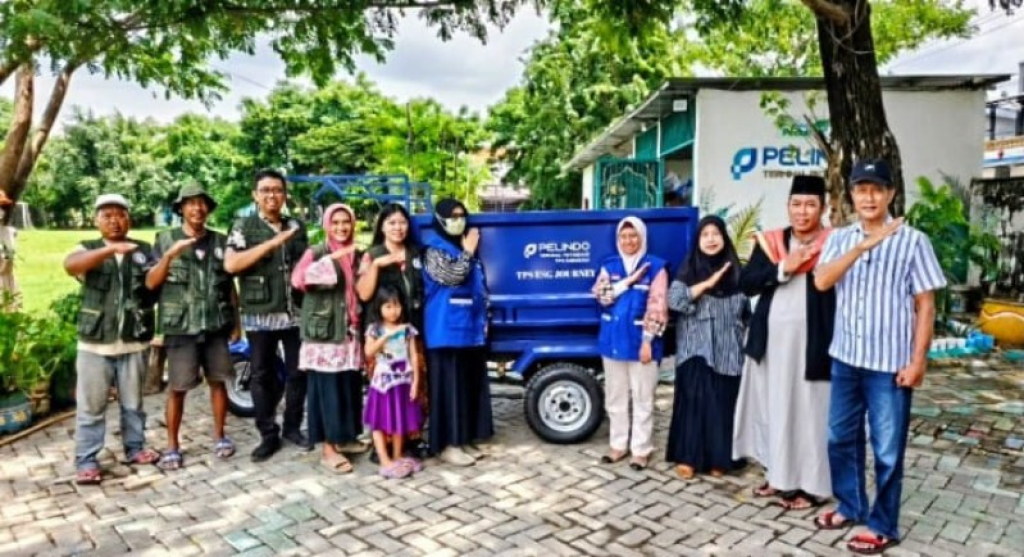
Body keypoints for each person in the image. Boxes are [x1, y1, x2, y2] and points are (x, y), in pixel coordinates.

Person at [812, 159, 944, 555]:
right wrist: (860, 248)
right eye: (861, 189)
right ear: (851, 195)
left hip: (889, 365)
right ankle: (851, 505)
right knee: (840, 439)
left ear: (890, 194)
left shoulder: (914, 241)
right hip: (846, 359)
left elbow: (926, 304)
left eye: (876, 189)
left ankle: (883, 524)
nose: (868, 197)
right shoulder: (839, 239)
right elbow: (821, 281)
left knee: (887, 449)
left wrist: (918, 360)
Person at [732, 175, 836, 509]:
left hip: (813, 345)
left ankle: (811, 486)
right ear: (788, 206)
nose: (802, 212)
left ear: (823, 207)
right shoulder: (771, 242)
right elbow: (746, 284)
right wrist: (781, 268)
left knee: (809, 414)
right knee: (773, 410)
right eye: (796, 204)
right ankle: (778, 477)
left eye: (810, 205)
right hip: (771, 347)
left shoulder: (834, 244)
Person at [63, 193, 161, 485]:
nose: (115, 220)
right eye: (107, 215)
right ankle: (86, 460)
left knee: (134, 403)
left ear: (129, 218)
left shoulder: (143, 250)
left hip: (134, 339)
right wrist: (111, 251)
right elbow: (71, 265)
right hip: (95, 343)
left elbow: (154, 280)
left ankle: (135, 448)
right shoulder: (87, 249)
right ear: (96, 221)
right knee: (91, 405)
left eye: (120, 214)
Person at [146, 184, 240, 470]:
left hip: (214, 324)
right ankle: (172, 445)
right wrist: (170, 255)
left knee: (218, 381)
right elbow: (151, 282)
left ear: (208, 208)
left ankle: (220, 436)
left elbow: (229, 286)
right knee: (178, 386)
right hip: (181, 327)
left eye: (201, 203)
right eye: (190, 203)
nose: (197, 208)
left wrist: (236, 322)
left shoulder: (220, 241)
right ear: (181, 209)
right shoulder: (164, 240)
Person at [224, 169, 310, 461]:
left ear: (285, 194)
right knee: (262, 375)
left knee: (299, 372)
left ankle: (292, 428)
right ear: (255, 195)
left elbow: (305, 264)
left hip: (295, 312)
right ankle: (267, 435)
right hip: (260, 314)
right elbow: (232, 264)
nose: (272, 195)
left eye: (277, 190)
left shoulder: (297, 225)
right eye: (265, 190)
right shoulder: (243, 226)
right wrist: (272, 243)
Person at [666, 215, 748, 480]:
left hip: (728, 350)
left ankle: (720, 458)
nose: (711, 240)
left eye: (716, 234)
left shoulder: (737, 272)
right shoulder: (689, 269)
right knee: (694, 403)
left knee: (722, 404)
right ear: (698, 240)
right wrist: (707, 284)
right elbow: (675, 301)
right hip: (695, 348)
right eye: (705, 235)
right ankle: (688, 458)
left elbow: (749, 312)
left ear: (724, 238)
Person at [290, 203, 366, 474]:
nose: (341, 227)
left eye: (346, 222)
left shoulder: (358, 253)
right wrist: (325, 269)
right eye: (335, 223)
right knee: (326, 391)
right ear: (326, 225)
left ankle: (345, 438)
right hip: (324, 334)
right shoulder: (318, 251)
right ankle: (327, 449)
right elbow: (298, 280)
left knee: (347, 387)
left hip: (349, 332)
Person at [592, 216, 669, 471]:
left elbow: (657, 307)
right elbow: (601, 297)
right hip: (612, 342)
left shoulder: (656, 267)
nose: (628, 241)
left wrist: (648, 341)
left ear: (642, 237)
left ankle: (640, 449)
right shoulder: (609, 265)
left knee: (643, 398)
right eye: (624, 236)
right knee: (615, 398)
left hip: (641, 345)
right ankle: (618, 445)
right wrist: (628, 282)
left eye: (633, 235)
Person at [421, 198, 492, 466]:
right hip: (444, 332)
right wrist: (469, 253)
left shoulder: (458, 246)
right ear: (439, 220)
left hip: (467, 330)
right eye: (452, 215)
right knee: (447, 391)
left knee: (464, 388)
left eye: (462, 215)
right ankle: (446, 445)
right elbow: (452, 276)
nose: (458, 219)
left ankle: (463, 439)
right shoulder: (433, 251)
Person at [356, 203, 428, 460]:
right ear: (382, 226)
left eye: (403, 222)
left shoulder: (416, 253)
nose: (398, 228)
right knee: (385, 392)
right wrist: (378, 264)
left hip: (410, 330)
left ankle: (412, 439)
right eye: (392, 223)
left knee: (413, 387)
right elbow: (363, 293)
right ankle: (383, 445)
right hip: (382, 335)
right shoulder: (371, 254)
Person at [363, 286, 425, 478]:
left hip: (403, 381)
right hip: (382, 385)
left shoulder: (407, 330)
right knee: (379, 422)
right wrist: (386, 336)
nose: (393, 311)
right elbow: (368, 352)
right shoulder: (374, 329)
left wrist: (415, 382)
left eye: (396, 306)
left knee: (400, 419)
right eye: (388, 306)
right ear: (379, 308)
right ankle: (384, 459)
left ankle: (397, 455)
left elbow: (413, 356)